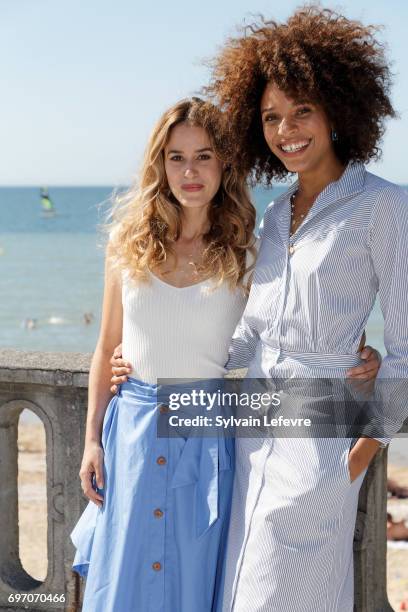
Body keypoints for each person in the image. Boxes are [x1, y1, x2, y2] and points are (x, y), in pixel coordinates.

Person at [199, 6, 408, 611]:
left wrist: (357, 458)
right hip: (252, 435)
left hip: (320, 446)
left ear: (338, 111)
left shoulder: (382, 205)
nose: (285, 129)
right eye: (270, 118)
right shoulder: (272, 214)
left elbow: (404, 349)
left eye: (301, 111)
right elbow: (246, 333)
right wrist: (158, 350)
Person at [70, 97, 257, 612]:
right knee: (125, 582)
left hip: (204, 434)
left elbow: (287, 332)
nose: (190, 171)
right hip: (130, 431)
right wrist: (91, 439)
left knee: (191, 582)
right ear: (160, 164)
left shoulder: (248, 253)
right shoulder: (126, 243)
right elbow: (106, 346)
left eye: (203, 156)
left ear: (224, 164)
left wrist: (357, 353)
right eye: (177, 157)